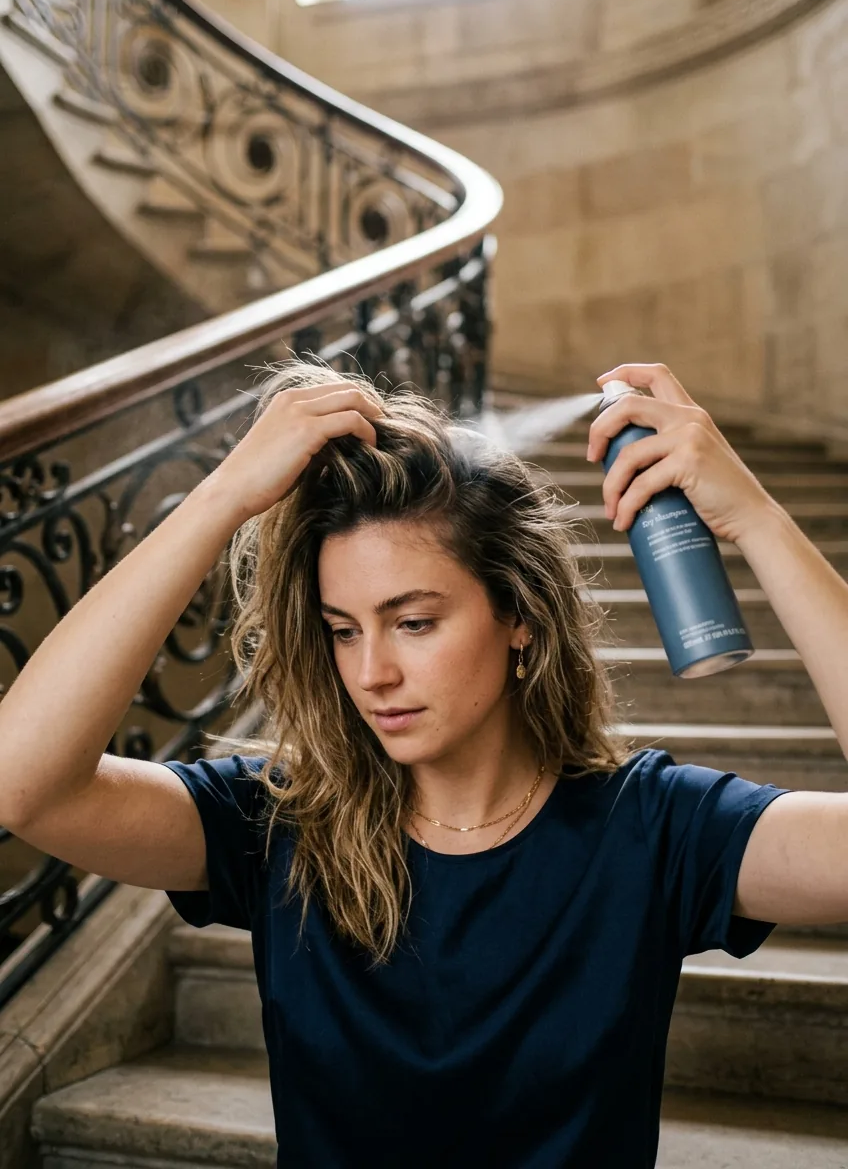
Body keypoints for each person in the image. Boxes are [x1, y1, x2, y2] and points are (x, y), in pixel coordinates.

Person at [1, 358, 847, 1169]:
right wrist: (222, 498)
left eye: (413, 622)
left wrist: (757, 520)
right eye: (343, 630)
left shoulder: (655, 831)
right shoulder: (277, 824)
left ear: (519, 615)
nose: (372, 673)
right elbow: (23, 785)